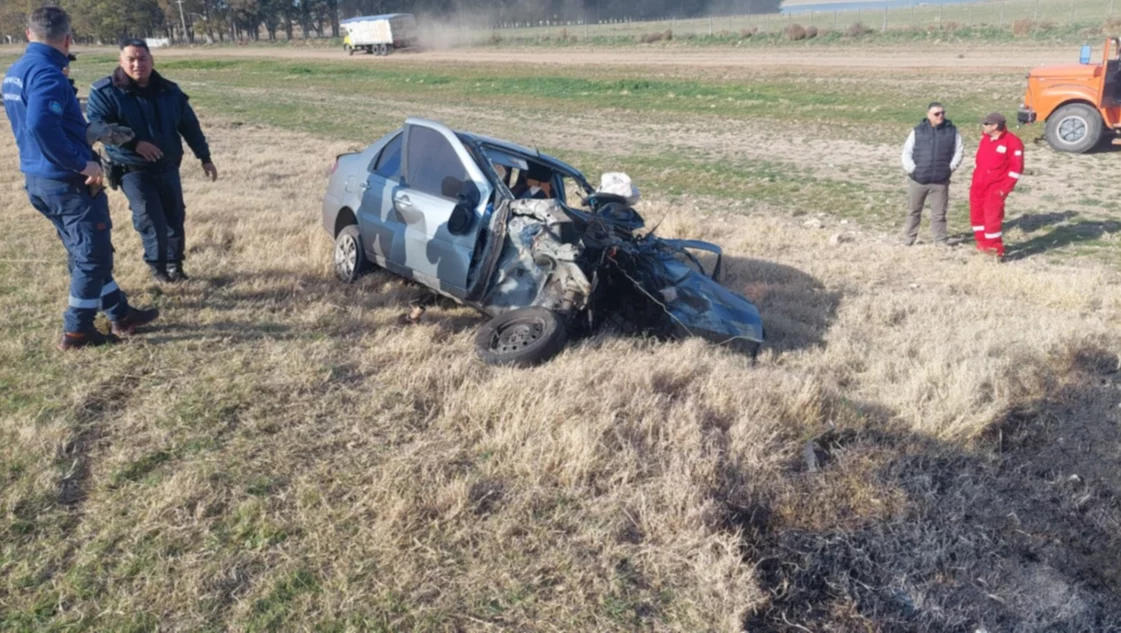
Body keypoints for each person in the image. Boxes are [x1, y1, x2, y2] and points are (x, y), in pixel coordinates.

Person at [2, 6, 158, 350]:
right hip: (66, 182)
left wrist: (86, 135)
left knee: (85, 251)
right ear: (68, 38)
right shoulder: (48, 74)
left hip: (39, 179)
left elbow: (36, 123)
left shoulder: (16, 71)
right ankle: (77, 331)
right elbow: (41, 124)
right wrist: (79, 163)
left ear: (29, 34)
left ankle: (120, 313)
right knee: (92, 256)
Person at [87, 38, 218, 283]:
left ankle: (174, 265)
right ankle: (157, 268)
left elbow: (189, 125)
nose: (138, 64)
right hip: (130, 167)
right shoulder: (104, 92)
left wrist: (205, 157)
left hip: (167, 165)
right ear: (121, 61)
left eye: (143, 58)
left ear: (152, 59)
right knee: (150, 217)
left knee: (174, 217)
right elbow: (98, 128)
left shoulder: (169, 90)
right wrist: (134, 143)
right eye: (131, 59)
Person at [900, 102, 963, 246]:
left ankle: (940, 241)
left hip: (940, 181)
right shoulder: (917, 131)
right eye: (937, 114)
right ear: (928, 115)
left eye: (943, 113)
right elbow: (906, 152)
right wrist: (913, 170)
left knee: (939, 214)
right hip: (918, 180)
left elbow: (959, 151)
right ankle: (908, 240)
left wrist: (949, 168)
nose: (941, 116)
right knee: (913, 211)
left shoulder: (952, 131)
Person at [969, 112, 1024, 260]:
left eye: (986, 124)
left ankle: (995, 250)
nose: (983, 126)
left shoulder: (1012, 142)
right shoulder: (985, 139)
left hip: (995, 188)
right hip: (978, 185)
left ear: (995, 126)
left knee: (992, 219)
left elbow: (1016, 169)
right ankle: (981, 245)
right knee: (977, 216)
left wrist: (1003, 190)